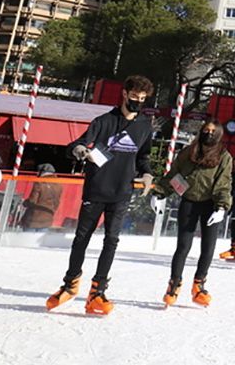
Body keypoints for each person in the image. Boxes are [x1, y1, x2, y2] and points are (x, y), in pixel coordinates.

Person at [45, 75, 155, 315]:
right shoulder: (103, 121)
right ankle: (70, 283)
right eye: (134, 96)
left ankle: (98, 291)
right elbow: (80, 143)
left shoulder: (145, 126)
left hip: (121, 192)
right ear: (125, 94)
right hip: (96, 189)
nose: (138, 101)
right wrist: (79, 149)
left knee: (111, 241)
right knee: (81, 238)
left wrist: (147, 174)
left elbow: (143, 157)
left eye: (142, 98)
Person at [157, 117, 233, 307]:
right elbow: (175, 173)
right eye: (206, 130)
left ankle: (199, 285)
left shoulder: (224, 157)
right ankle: (174, 284)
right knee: (183, 246)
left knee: (208, 247)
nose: (209, 134)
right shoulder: (189, 152)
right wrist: (160, 192)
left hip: (211, 205)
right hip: (189, 202)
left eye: (213, 132)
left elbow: (223, 183)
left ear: (219, 135)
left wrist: (222, 206)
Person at [21, 163, 65, 230]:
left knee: (27, 239)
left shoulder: (39, 182)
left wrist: (24, 202)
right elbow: (57, 202)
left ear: (41, 172)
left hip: (33, 219)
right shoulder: (59, 185)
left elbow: (32, 201)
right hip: (48, 219)